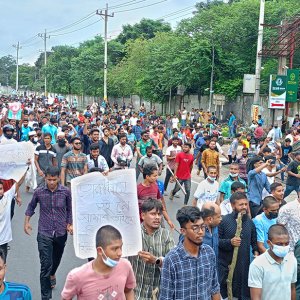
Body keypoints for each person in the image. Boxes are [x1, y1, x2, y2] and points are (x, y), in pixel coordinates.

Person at [24, 166, 73, 300]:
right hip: (44, 232)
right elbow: (31, 206)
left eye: (54, 179)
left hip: (61, 232)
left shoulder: (66, 192)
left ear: (58, 178)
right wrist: (26, 222)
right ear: (45, 178)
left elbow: (70, 209)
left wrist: (70, 224)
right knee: (45, 265)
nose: (51, 182)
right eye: (49, 179)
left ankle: (53, 273)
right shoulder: (39, 192)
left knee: (55, 260)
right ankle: (46, 297)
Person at [159, 206, 221, 300]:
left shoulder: (209, 253)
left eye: (202, 227)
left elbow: (214, 288)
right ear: (183, 231)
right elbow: (166, 297)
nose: (200, 232)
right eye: (195, 228)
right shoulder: (172, 260)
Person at [61, 225, 136, 300]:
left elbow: (128, 291)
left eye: (120, 247)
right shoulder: (76, 276)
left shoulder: (125, 266)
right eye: (114, 249)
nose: (120, 253)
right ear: (100, 251)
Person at [128, 200, 175, 299]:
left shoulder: (166, 235)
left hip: (157, 293)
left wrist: (156, 261)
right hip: (134, 293)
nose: (157, 217)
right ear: (143, 215)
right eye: (153, 214)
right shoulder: (132, 233)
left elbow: (173, 263)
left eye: (159, 214)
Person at [218, 192, 258, 300]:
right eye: (241, 205)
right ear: (232, 205)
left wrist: (256, 254)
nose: (244, 207)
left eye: (246, 204)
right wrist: (229, 242)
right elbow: (217, 242)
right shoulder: (224, 221)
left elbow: (254, 242)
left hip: (244, 267)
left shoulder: (249, 222)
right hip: (227, 266)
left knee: (243, 294)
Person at [248, 224, 297, 300]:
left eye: (286, 243)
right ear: (269, 243)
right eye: (279, 244)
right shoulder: (257, 264)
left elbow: (292, 288)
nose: (284, 247)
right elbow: (256, 297)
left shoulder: (292, 260)